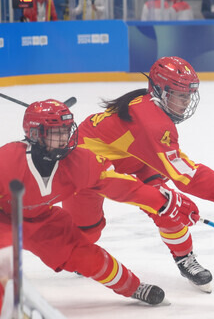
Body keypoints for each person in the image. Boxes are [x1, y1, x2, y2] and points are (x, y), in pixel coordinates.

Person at [63, 57, 214, 293]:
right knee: (87, 233)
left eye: (188, 96)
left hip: (130, 160)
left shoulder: (153, 108)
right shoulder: (152, 121)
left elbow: (179, 167)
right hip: (87, 167)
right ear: (160, 91)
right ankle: (79, 248)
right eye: (181, 96)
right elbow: (184, 175)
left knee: (167, 205)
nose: (186, 102)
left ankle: (184, 259)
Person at [0, 99, 201, 307]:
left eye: (66, 131)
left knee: (88, 257)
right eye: (55, 132)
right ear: (35, 134)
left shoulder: (80, 162)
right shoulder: (6, 161)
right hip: (3, 220)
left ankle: (134, 287)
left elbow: (124, 186)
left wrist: (162, 203)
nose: (63, 138)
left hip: (43, 222)